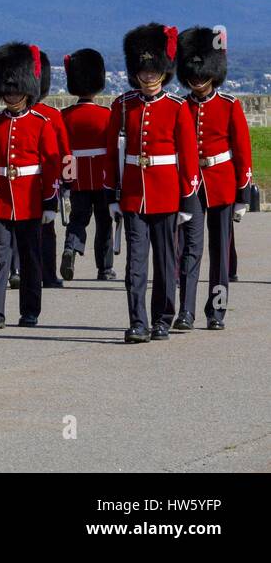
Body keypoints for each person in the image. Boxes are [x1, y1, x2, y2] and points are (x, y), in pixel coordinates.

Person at [107, 24, 200, 344]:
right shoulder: (122, 106)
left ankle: (162, 317)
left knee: (164, 262)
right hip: (133, 195)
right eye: (143, 70)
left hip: (166, 195)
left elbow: (187, 157)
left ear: (164, 71)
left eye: (153, 70)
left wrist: (187, 200)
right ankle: (137, 321)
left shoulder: (177, 108)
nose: (148, 76)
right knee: (135, 264)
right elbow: (111, 154)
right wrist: (112, 194)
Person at [175, 27, 252, 331]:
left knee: (220, 254)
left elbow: (243, 151)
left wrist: (243, 196)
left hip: (221, 183)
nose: (197, 80)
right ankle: (186, 311)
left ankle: (216, 311)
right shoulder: (182, 105)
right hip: (191, 187)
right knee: (189, 250)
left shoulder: (229, 105)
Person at [0, 44, 60, 329]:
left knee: (30, 259)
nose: (11, 95)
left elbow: (50, 167)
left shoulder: (41, 123)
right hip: (0, 200)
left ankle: (30, 311)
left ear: (27, 91)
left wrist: (50, 202)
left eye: (16, 91)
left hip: (30, 200)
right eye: (8, 91)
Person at [59, 49, 115, 281]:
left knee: (78, 219)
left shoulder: (65, 115)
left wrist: (65, 179)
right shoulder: (106, 114)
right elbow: (113, 148)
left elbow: (62, 149)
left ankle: (71, 248)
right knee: (104, 223)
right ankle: (104, 268)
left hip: (77, 176)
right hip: (102, 176)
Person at [32, 51, 72, 288]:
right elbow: (67, 153)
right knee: (47, 232)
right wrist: (69, 183)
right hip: (48, 182)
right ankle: (48, 274)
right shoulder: (52, 115)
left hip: (28, 183)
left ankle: (18, 270)